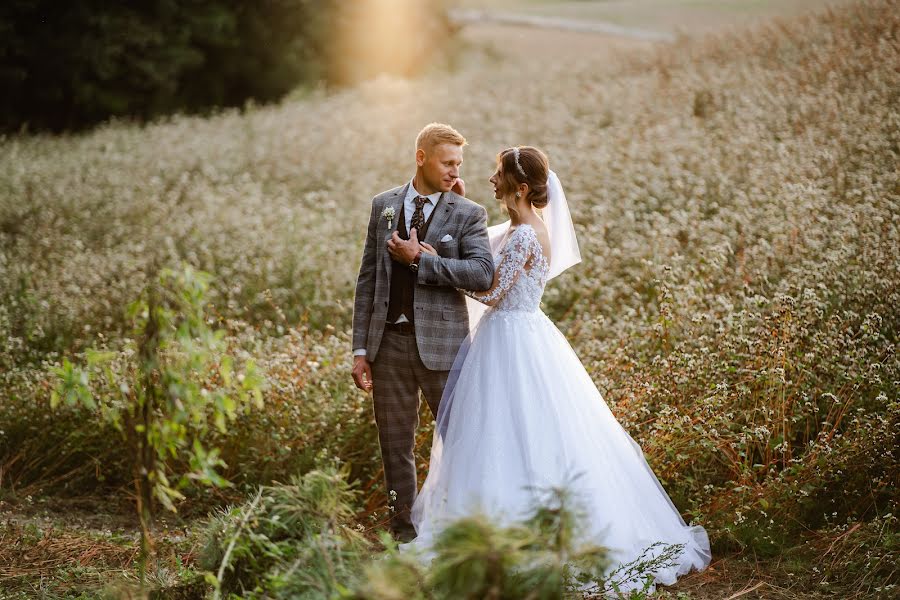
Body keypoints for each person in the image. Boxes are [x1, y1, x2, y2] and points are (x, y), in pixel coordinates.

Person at [405, 146, 711, 591]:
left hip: (514, 342)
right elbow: (476, 256)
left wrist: (427, 265)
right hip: (510, 338)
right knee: (501, 434)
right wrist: (447, 229)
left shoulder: (528, 235)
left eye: (497, 174)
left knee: (521, 432)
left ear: (521, 186)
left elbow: (490, 293)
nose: (492, 180)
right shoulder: (517, 228)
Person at [351, 123, 494, 542]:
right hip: (387, 347)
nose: (455, 171)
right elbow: (367, 279)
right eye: (447, 162)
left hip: (444, 347)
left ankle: (471, 530)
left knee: (461, 442)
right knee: (394, 447)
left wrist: (422, 261)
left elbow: (483, 274)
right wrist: (361, 349)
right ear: (421, 157)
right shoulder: (384, 206)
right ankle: (404, 536)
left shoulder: (469, 213)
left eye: (459, 164)